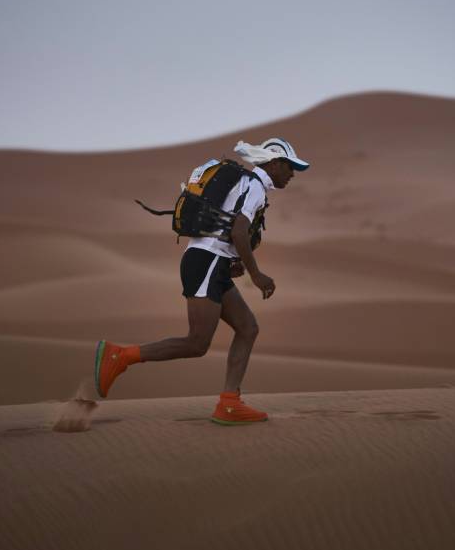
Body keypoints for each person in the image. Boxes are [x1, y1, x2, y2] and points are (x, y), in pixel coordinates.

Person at [94, 137, 310, 425]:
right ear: (273, 163)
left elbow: (228, 231)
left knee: (248, 328)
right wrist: (256, 274)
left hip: (212, 261)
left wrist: (231, 261)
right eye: (290, 166)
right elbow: (240, 230)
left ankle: (229, 403)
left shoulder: (249, 184)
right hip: (206, 261)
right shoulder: (255, 185)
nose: (292, 173)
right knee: (197, 343)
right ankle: (119, 357)